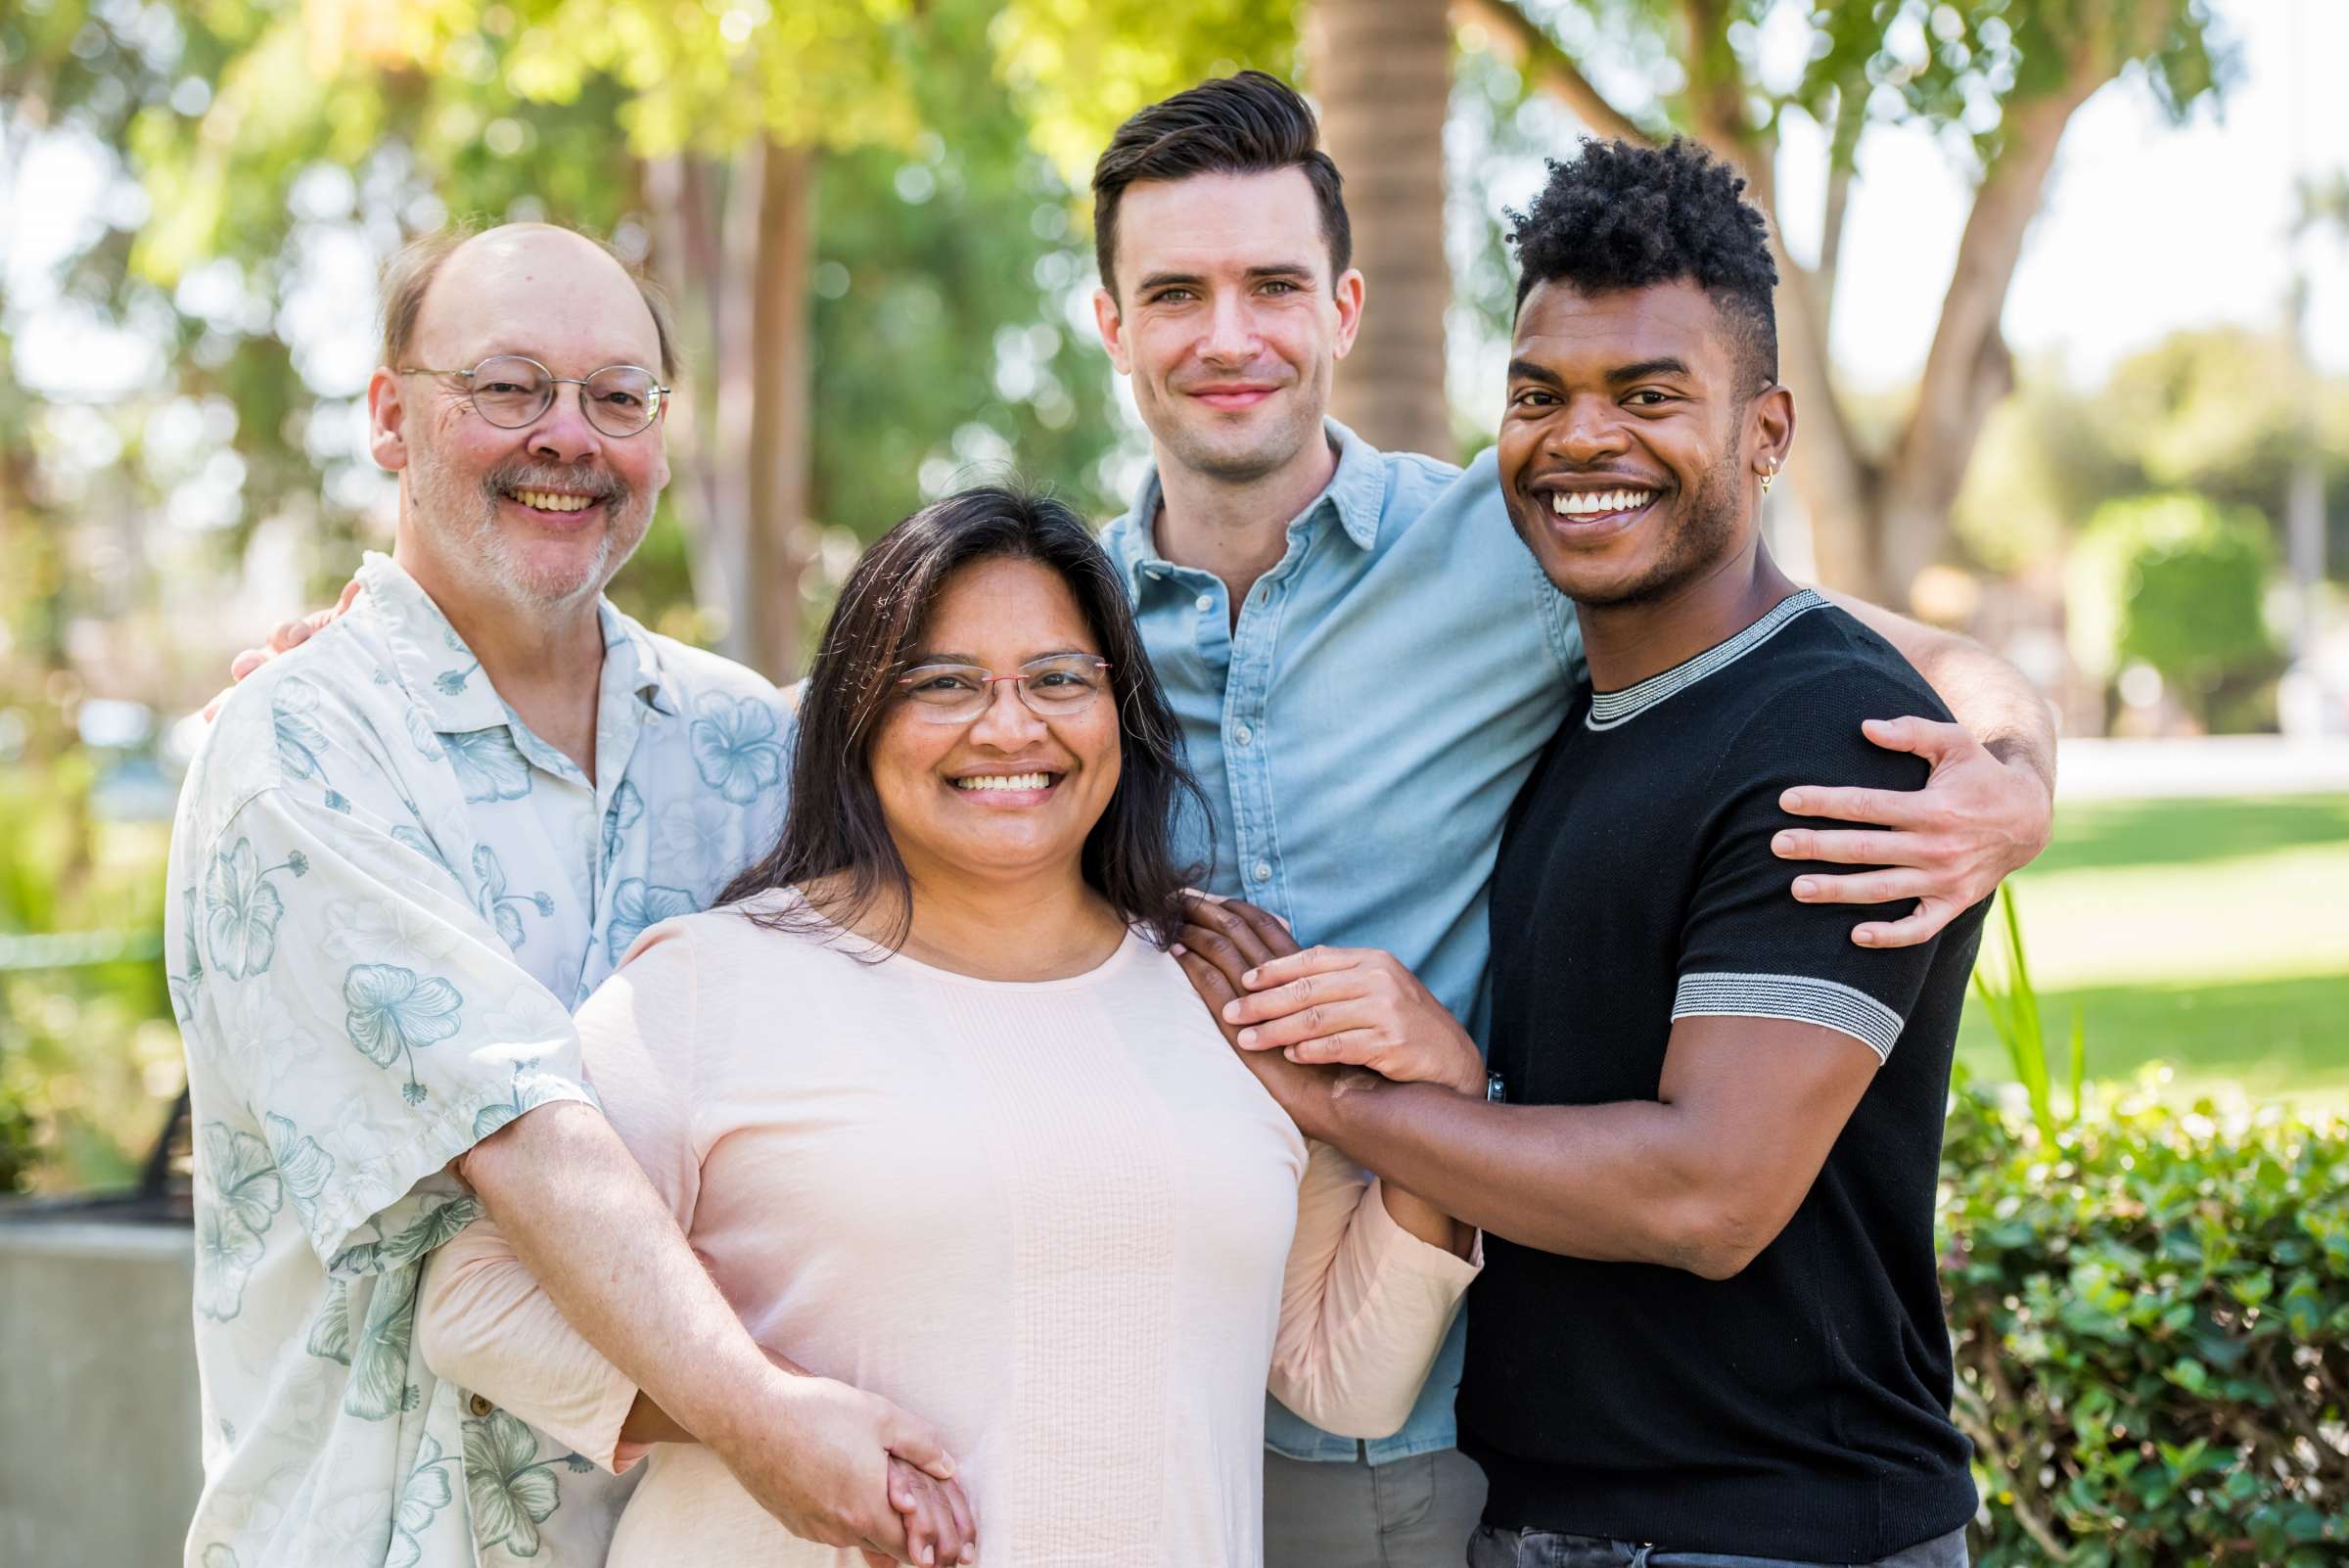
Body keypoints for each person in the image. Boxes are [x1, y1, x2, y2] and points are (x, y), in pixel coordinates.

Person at [1086, 72, 2052, 1566]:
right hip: (1167, 1391)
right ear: (1111, 325)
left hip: (1494, 1445)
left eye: (1272, 284)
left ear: (1344, 309)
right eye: (1176, 292)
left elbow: (1900, 659)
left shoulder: (1523, 548)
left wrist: (2008, 770)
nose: (1229, 335)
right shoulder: (1049, 637)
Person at [407, 487, 1482, 1567]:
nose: (1011, 726)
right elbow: (476, 1299)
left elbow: (1345, 1382)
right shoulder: (714, 984)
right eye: (945, 684)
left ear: (1121, 710)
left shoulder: (1216, 991)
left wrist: (1440, 1101)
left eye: (1059, 679)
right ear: (860, 716)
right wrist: (758, 1418)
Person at [165, 222, 971, 1568]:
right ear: (388, 414)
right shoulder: (299, 748)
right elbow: (523, 1133)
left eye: (617, 397)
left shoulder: (744, 745)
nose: (568, 437)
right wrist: (764, 1416)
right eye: (508, 387)